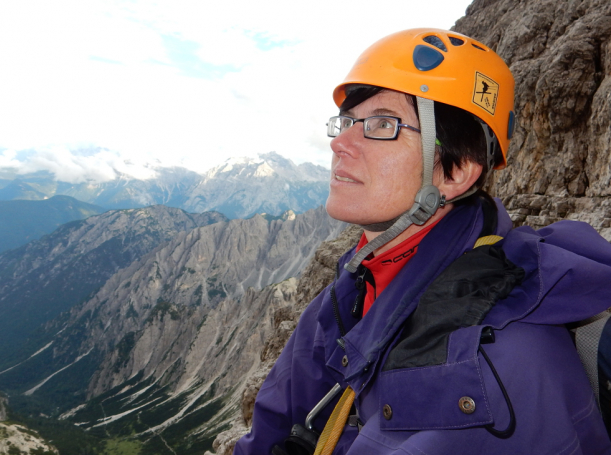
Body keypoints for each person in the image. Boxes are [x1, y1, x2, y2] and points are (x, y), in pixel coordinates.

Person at [233, 28, 611, 455]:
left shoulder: (491, 369)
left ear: (455, 173)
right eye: (347, 122)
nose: (340, 143)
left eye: (381, 124)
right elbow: (269, 428)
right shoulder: (352, 293)